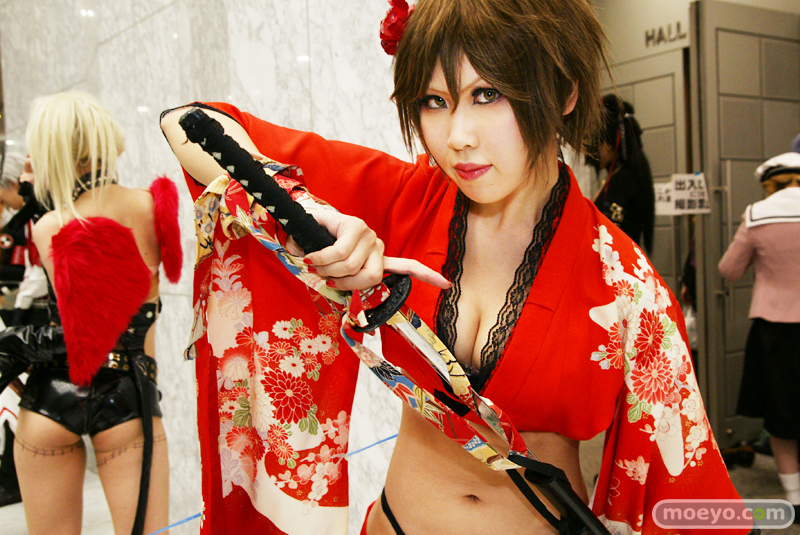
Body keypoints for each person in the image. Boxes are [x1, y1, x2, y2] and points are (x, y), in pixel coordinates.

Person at [161, 1, 749, 534]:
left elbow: (683, 483)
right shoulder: (408, 200)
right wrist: (306, 210)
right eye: (434, 102)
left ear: (565, 91)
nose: (457, 137)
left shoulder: (626, 284)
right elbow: (190, 124)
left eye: (487, 94)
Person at [9, 92, 182, 535]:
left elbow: (77, 322)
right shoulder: (150, 206)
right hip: (127, 393)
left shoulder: (49, 227)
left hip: (48, 399)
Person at [719, 151, 800, 522]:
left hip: (775, 330)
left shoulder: (758, 215)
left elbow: (729, 270)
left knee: (781, 413)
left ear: (769, 184)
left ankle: (794, 497)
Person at [592, 95, 656, 254]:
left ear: (608, 145)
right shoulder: (624, 175)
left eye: (598, 144)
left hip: (619, 260)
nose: (596, 152)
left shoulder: (623, 180)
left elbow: (610, 231)